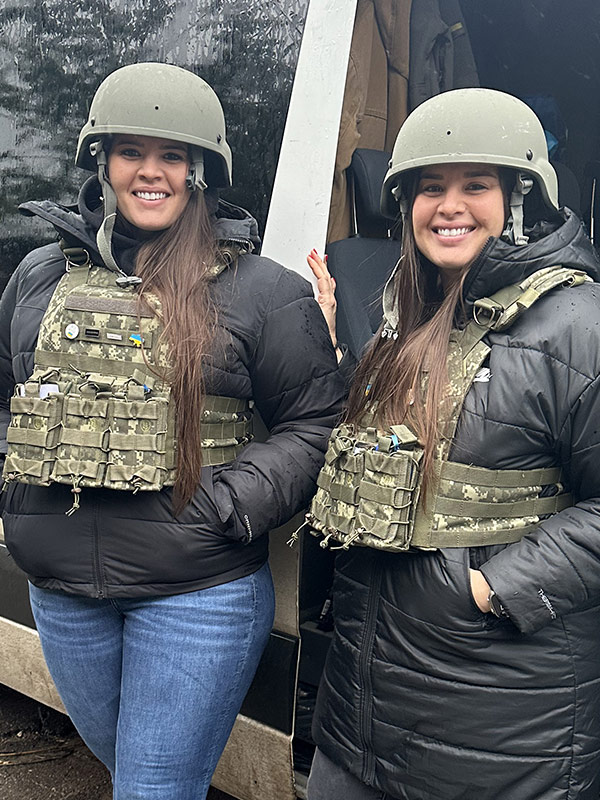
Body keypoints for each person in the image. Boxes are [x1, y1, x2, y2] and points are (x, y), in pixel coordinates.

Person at [0, 62, 344, 799]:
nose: (150, 172)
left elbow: (319, 422)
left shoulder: (263, 290)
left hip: (195, 591)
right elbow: (8, 393)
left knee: (151, 788)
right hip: (60, 590)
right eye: (132, 152)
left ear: (199, 170)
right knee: (137, 772)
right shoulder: (38, 276)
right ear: (103, 161)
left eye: (173, 156)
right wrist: (16, 485)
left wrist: (231, 502)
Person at [306, 88, 600, 800]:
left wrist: (494, 588)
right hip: (361, 711)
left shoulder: (575, 326)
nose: (450, 206)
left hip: (493, 733)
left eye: (476, 185)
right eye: (430, 188)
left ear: (520, 198)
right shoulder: (406, 315)